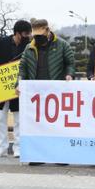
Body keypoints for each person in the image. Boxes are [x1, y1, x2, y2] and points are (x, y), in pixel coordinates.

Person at [17, 18, 75, 166]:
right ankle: (37, 155)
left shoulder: (62, 44)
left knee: (58, 126)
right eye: (35, 36)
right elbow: (22, 67)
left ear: (48, 31)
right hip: (36, 94)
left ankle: (60, 156)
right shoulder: (29, 47)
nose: (38, 39)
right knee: (37, 125)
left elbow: (70, 62)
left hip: (56, 92)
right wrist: (19, 83)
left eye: (40, 35)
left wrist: (69, 74)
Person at [0, 19, 32, 158]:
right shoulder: (2, 42)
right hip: (2, 85)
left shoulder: (29, 45)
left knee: (19, 119)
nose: (28, 36)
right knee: (0, 118)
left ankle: (18, 147)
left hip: (19, 86)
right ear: (17, 33)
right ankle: (2, 147)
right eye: (26, 33)